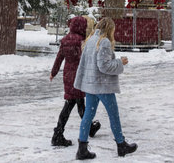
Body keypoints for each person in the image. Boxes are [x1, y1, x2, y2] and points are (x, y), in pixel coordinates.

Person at [74, 17, 138, 160]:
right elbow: (104, 66)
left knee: (87, 116)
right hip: (102, 86)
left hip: (91, 85)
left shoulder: (91, 40)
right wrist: (120, 62)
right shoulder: (104, 42)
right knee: (113, 115)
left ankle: (82, 149)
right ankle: (121, 145)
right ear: (110, 29)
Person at [50, 15, 101, 147]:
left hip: (68, 75)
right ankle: (58, 134)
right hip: (79, 75)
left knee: (77, 102)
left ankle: (88, 128)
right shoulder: (82, 41)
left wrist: (53, 72)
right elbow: (87, 59)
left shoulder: (65, 40)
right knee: (72, 104)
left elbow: (59, 58)